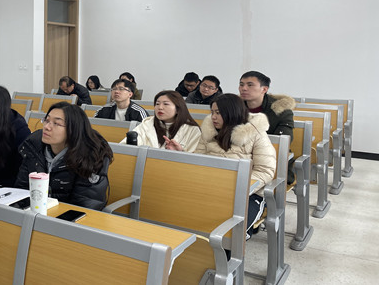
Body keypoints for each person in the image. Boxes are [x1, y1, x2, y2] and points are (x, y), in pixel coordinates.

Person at [171, 93, 276, 239]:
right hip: (211, 190)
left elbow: (265, 170)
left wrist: (237, 189)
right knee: (184, 219)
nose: (213, 117)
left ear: (232, 113)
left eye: (218, 113)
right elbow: (199, 161)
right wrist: (182, 153)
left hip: (247, 194)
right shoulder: (208, 132)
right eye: (212, 112)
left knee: (229, 234)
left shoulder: (256, 134)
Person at [15, 102, 113, 210]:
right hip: (35, 212)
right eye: (46, 120)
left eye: (56, 123)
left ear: (73, 130)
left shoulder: (91, 156)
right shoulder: (33, 146)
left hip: (68, 216)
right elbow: (21, 189)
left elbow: (86, 205)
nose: (47, 127)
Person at [239, 70, 296, 184]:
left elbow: (281, 143)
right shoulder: (235, 107)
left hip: (271, 162)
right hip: (239, 158)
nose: (243, 88)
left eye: (250, 85)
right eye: (241, 84)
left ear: (264, 89)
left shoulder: (280, 110)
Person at [121, 90, 200, 152]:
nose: (160, 107)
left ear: (178, 109)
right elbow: (125, 147)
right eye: (157, 104)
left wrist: (180, 153)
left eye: (166, 104)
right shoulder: (147, 124)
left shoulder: (192, 130)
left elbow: (195, 160)